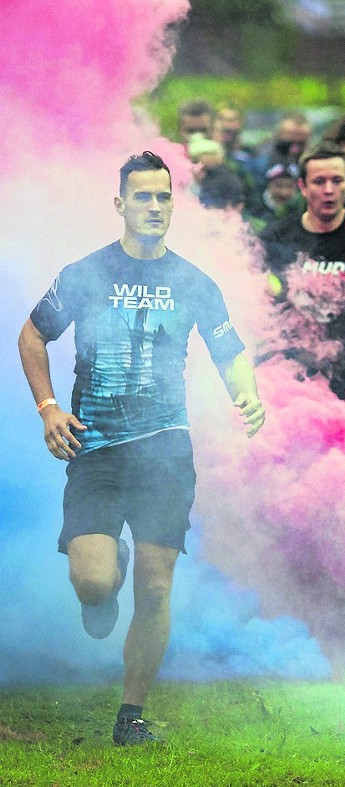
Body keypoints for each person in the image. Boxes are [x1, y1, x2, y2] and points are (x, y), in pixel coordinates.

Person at [17, 151, 266, 744]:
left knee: (155, 587)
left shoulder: (193, 281)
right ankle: (106, 572)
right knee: (96, 584)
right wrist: (49, 408)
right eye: (143, 197)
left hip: (165, 453)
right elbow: (32, 334)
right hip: (96, 450)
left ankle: (132, 714)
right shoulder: (84, 273)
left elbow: (229, 350)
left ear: (173, 204)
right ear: (120, 204)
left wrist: (249, 394)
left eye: (163, 197)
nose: (154, 207)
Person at [258, 141, 345, 404]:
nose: (329, 190)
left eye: (336, 180)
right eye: (319, 181)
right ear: (303, 187)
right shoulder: (276, 236)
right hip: (295, 373)